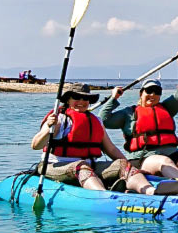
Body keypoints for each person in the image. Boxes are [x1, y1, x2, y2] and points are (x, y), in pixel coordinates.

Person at [30, 82, 159, 194]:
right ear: (68, 100)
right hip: (55, 166)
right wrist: (48, 127)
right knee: (82, 167)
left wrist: (128, 166)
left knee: (121, 164)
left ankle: (149, 191)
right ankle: (103, 195)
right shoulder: (59, 119)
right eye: (76, 97)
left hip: (90, 166)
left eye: (85, 98)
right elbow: (36, 145)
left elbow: (111, 149)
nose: (81, 102)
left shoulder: (96, 121)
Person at [100, 51, 178, 179]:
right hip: (143, 159)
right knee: (164, 162)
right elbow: (104, 120)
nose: (152, 94)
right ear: (141, 93)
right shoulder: (129, 113)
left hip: (173, 155)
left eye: (157, 91)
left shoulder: (167, 108)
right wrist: (113, 98)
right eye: (149, 91)